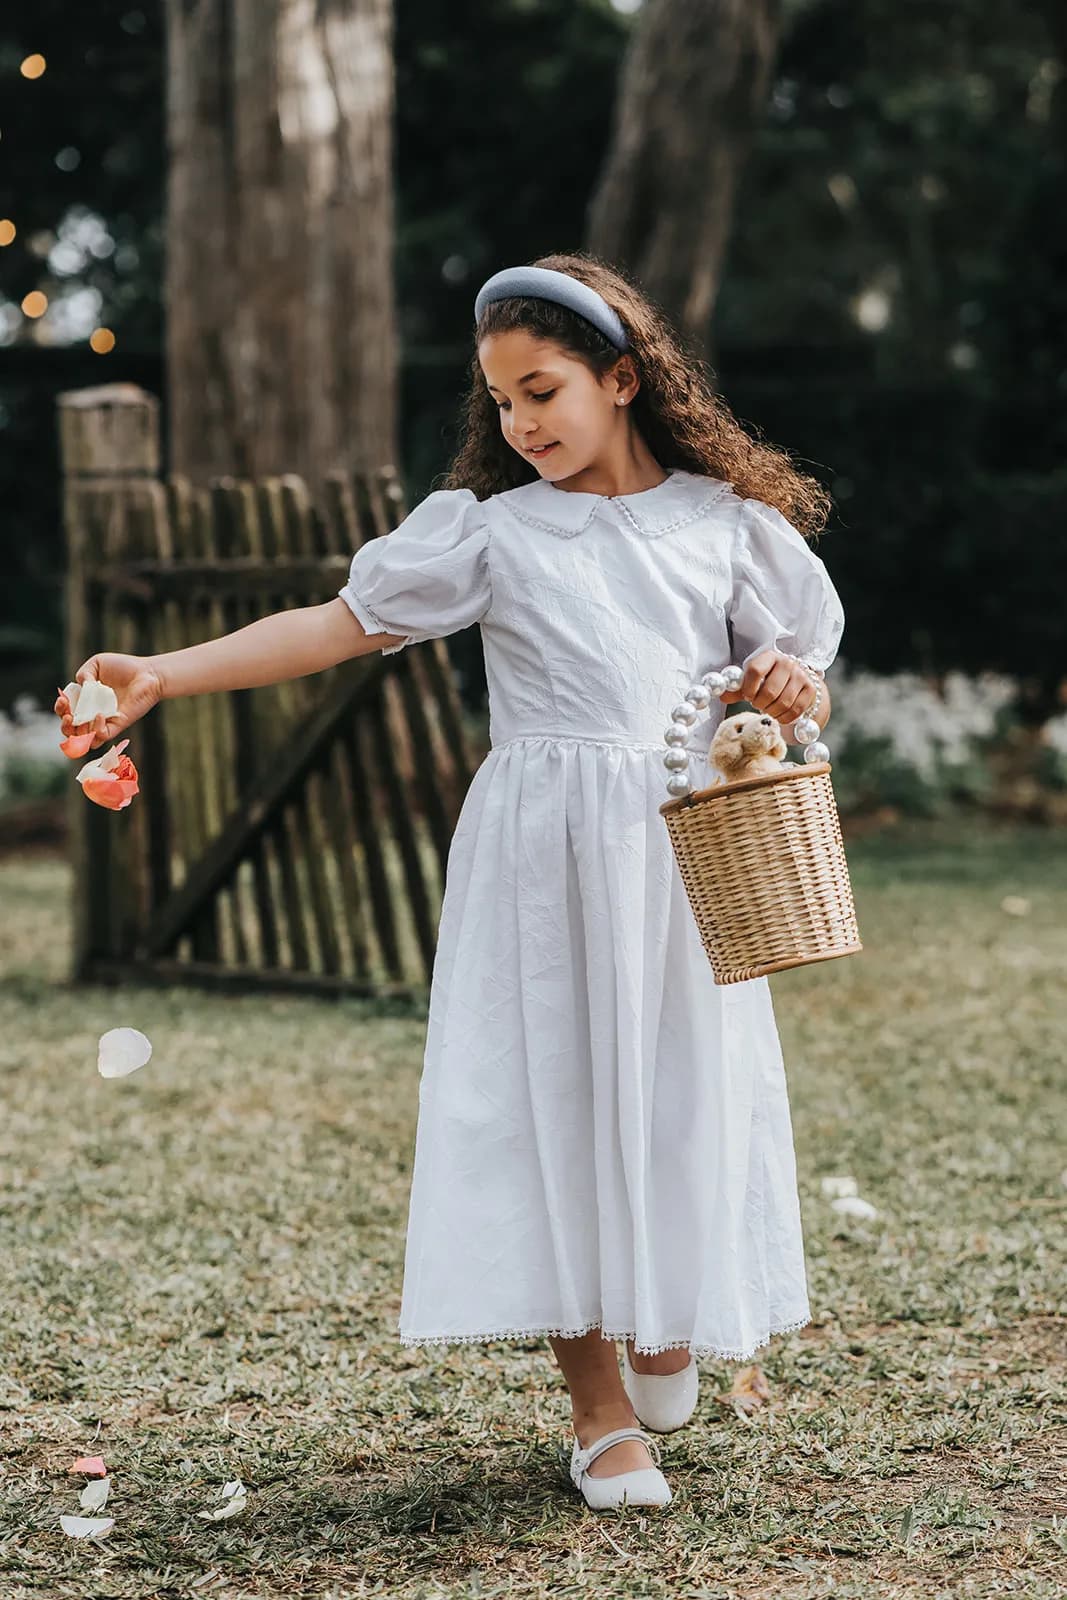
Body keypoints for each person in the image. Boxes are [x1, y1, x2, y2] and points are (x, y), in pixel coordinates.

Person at [55, 252, 845, 1512]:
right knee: (552, 1105)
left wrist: (789, 681)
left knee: (681, 1090)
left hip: (675, 852)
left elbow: (788, 666)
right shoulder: (490, 534)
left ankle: (663, 1323)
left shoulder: (722, 525)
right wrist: (164, 669)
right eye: (503, 402)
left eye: (545, 391)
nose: (523, 424)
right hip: (540, 853)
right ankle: (599, 1416)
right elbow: (331, 625)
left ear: (624, 379)